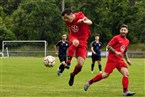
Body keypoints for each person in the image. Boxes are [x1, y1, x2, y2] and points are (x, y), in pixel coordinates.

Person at [84, 24, 135, 96]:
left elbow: (125, 51)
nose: (123, 31)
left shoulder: (127, 41)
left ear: (127, 31)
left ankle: (125, 91)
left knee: (126, 73)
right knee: (105, 75)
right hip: (112, 59)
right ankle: (89, 82)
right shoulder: (116, 38)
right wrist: (115, 52)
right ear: (120, 31)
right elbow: (108, 46)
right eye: (122, 30)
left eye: (124, 30)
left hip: (119, 60)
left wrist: (127, 60)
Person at [61, 8, 92, 86]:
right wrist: (70, 39)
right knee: (75, 42)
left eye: (66, 17)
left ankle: (73, 75)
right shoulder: (67, 21)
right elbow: (69, 30)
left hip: (83, 41)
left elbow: (90, 22)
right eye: (65, 18)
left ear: (71, 14)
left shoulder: (80, 15)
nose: (66, 19)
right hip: (74, 37)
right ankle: (68, 62)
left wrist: (83, 21)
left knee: (80, 64)